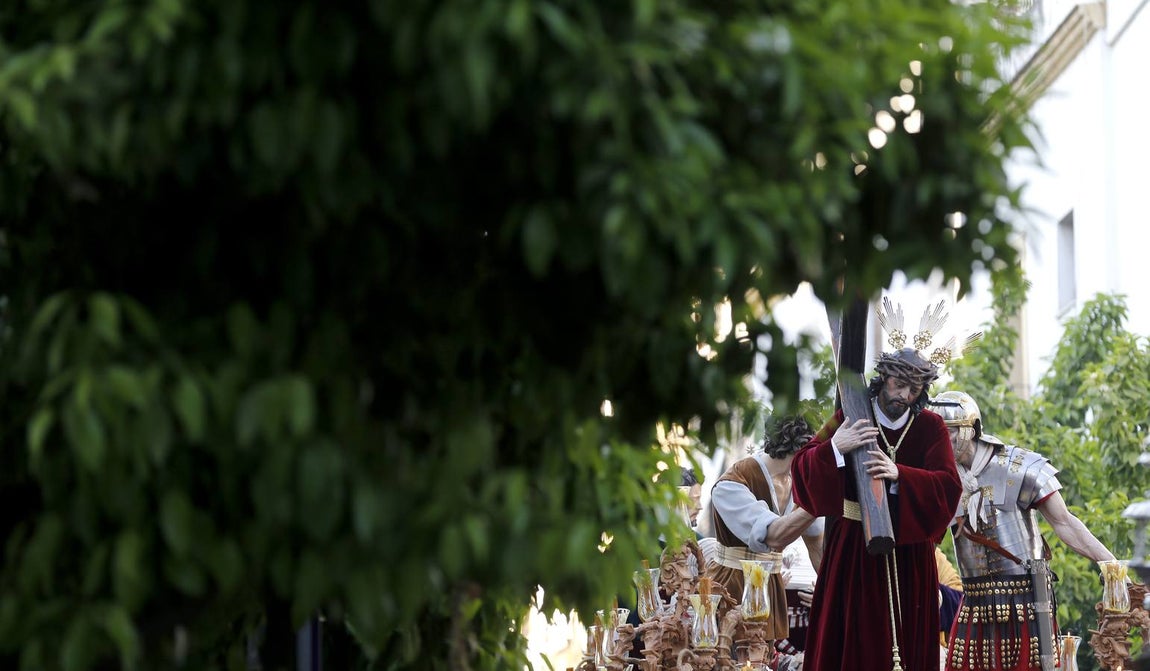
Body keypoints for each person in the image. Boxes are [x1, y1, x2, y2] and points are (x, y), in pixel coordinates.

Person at [791, 347, 962, 671]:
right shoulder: (849, 416)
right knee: (852, 641)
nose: (904, 395)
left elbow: (949, 487)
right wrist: (835, 448)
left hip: (909, 558)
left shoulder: (930, 427)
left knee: (907, 646)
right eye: (899, 384)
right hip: (853, 551)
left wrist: (902, 477)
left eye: (914, 389)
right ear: (883, 377)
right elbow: (802, 472)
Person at [931, 390, 1117, 671]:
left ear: (971, 429)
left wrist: (1112, 566)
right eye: (939, 433)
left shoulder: (1017, 467)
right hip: (974, 606)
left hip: (1024, 604)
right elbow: (923, 543)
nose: (945, 440)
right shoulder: (942, 480)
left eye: (951, 431)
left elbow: (1064, 522)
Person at [702, 415, 825, 645]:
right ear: (799, 451)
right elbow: (774, 537)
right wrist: (819, 498)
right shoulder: (731, 484)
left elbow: (817, 546)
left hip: (772, 587)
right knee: (731, 658)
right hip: (733, 588)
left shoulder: (799, 481)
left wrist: (832, 593)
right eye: (810, 453)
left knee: (765, 660)